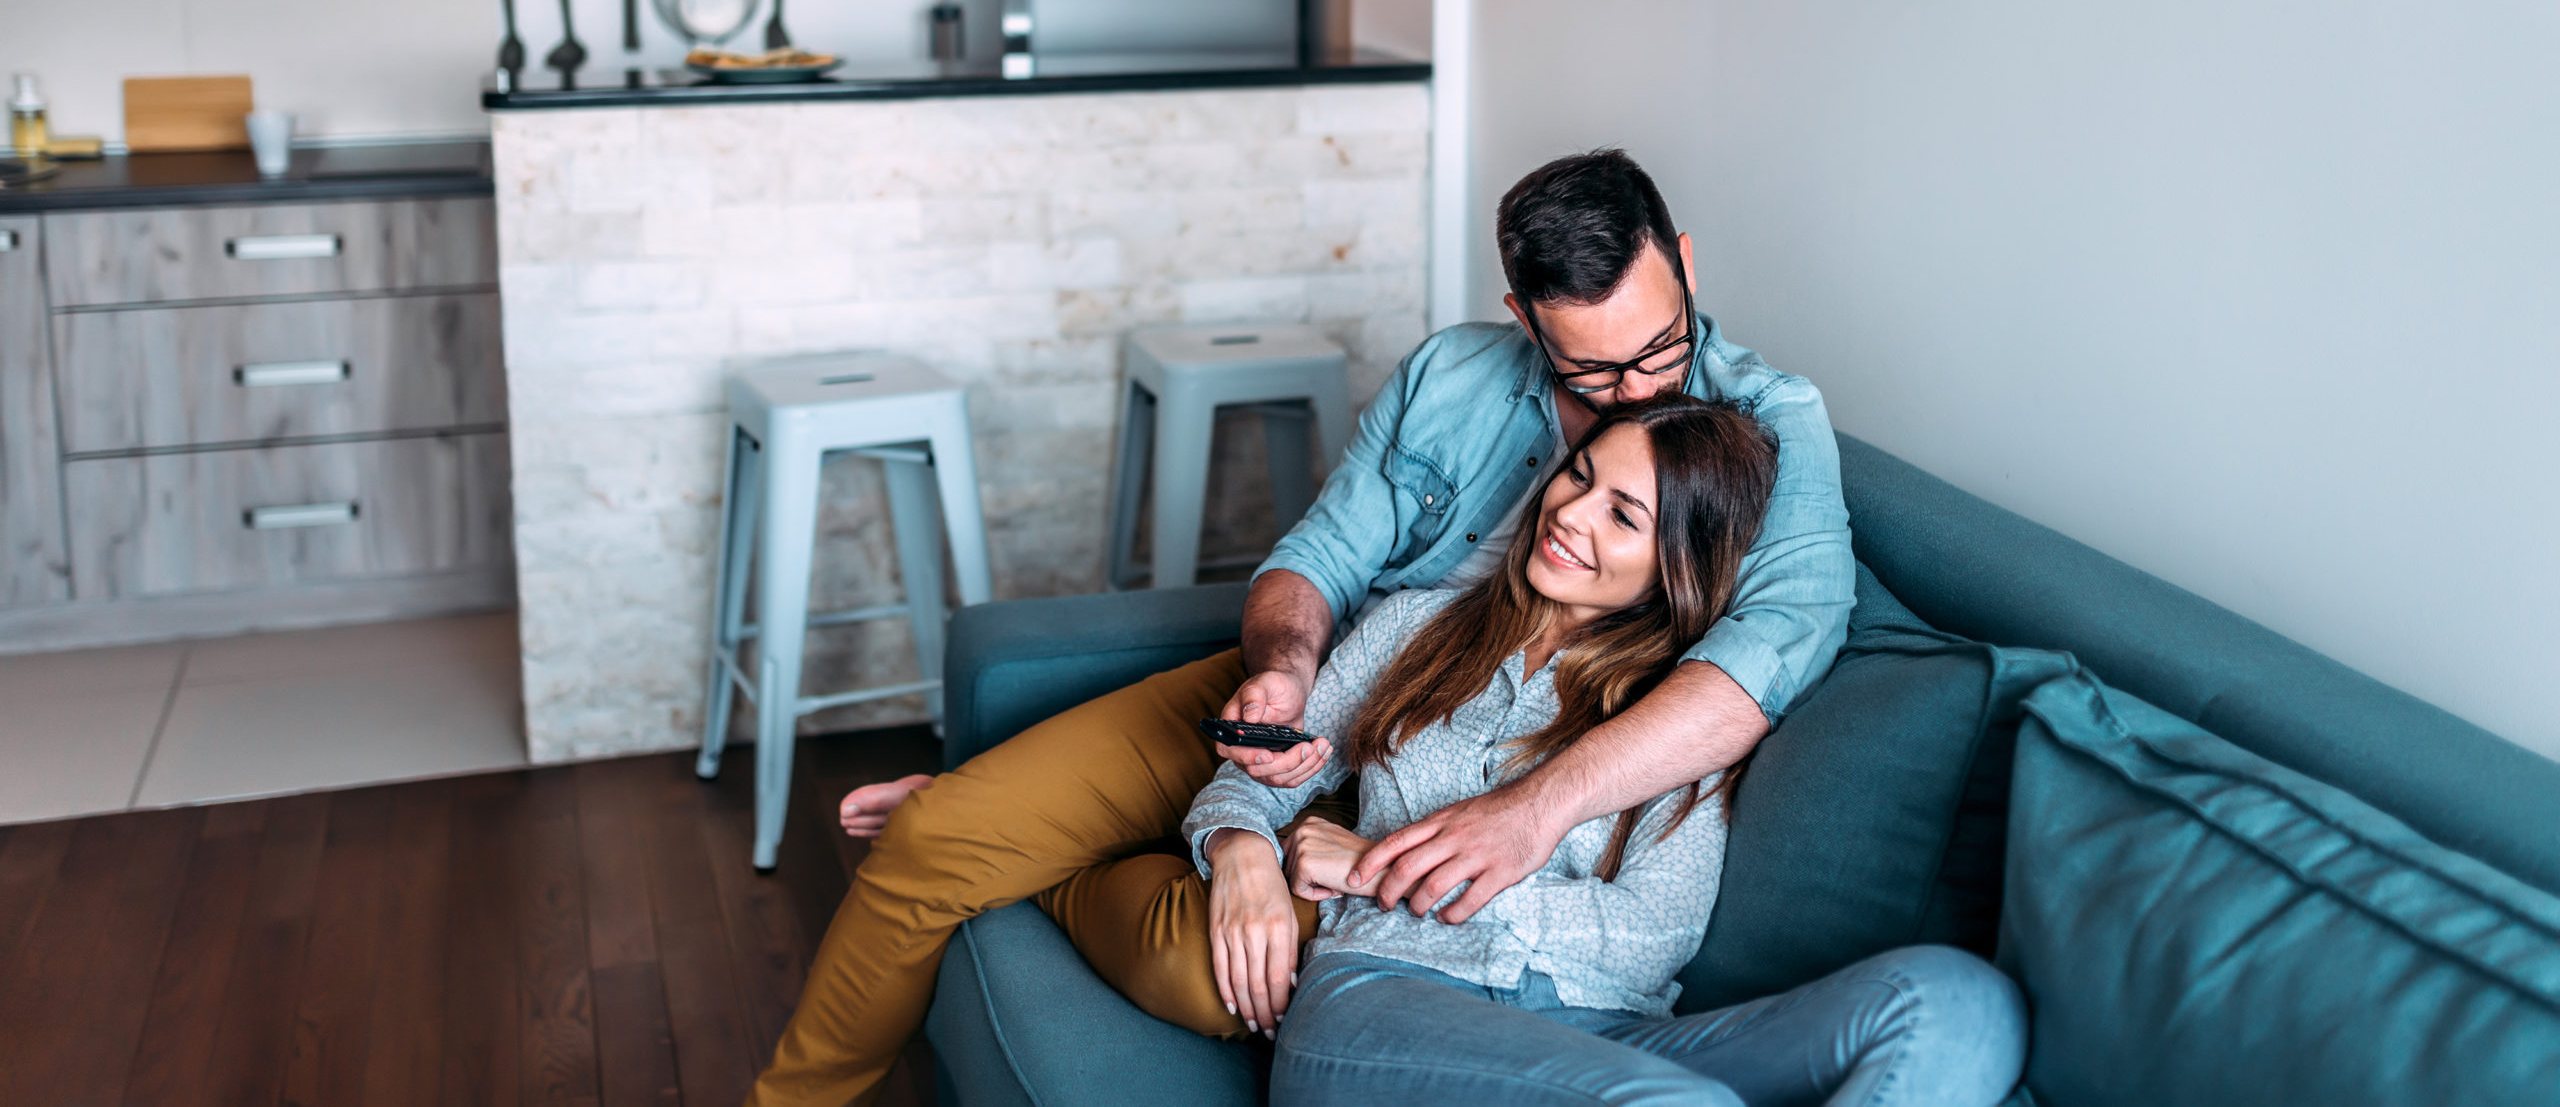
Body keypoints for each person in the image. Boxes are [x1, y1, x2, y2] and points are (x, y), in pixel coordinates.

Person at [749, 150, 1856, 1102]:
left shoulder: (1767, 425)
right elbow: (1316, 559)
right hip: (1348, 682)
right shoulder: (1451, 375)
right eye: (1591, 368)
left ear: (1687, 265)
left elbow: (1767, 657)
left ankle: (1043, 841)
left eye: (1660, 347)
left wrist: (1524, 815)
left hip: (1450, 779)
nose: (1634, 389)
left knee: (1221, 971)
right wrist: (1282, 669)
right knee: (934, 844)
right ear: (1525, 321)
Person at [1194, 396, 2025, 1106]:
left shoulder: (1683, 713)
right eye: (1579, 476)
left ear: (1678, 566)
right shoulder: (1416, 628)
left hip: (1610, 1034)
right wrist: (1240, 851)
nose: (1569, 512)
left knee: (1962, 1001)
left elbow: (1652, 932)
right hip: (1383, 996)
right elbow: (1254, 781)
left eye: (1622, 514)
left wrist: (1381, 866)